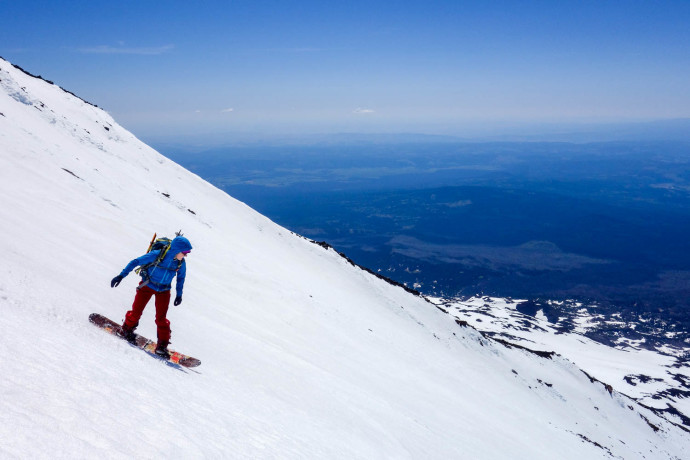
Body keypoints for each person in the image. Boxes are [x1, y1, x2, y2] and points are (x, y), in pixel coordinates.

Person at [110, 235, 193, 358]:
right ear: (177, 250)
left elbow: (181, 278)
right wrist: (121, 276)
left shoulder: (181, 263)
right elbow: (136, 262)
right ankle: (126, 330)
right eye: (185, 252)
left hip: (164, 290)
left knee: (161, 319)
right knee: (136, 312)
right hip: (147, 286)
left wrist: (179, 295)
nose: (186, 255)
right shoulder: (157, 254)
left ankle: (162, 347)